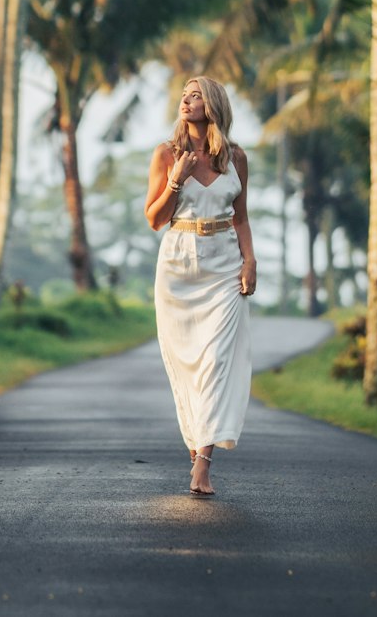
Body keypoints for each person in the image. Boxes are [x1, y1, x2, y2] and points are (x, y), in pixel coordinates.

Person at [145, 76, 256, 498]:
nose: (186, 101)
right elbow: (155, 219)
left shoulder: (236, 157)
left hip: (224, 266)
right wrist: (177, 179)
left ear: (212, 106)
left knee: (215, 362)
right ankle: (196, 443)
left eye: (195, 96)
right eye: (183, 95)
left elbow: (242, 217)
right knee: (185, 366)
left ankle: (203, 464)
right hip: (177, 266)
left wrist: (250, 260)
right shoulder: (166, 154)